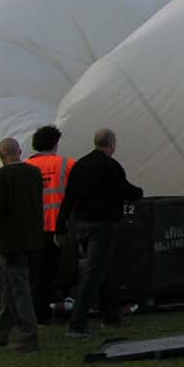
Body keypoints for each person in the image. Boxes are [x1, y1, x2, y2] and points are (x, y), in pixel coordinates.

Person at [59, 128, 143, 338]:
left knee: (101, 270)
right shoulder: (111, 166)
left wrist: (59, 225)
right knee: (94, 273)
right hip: (101, 226)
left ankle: (110, 316)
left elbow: (68, 197)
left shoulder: (80, 165)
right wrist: (139, 193)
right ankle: (77, 323)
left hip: (81, 226)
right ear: (111, 145)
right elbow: (125, 190)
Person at [0, 138, 45, 352]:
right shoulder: (34, 173)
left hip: (11, 241)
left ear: (1, 156)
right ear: (20, 151)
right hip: (33, 239)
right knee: (11, 286)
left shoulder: (1, 177)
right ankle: (1, 330)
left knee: (19, 289)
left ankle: (29, 336)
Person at [27, 125, 76, 324]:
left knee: (35, 273)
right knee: (56, 272)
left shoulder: (25, 166)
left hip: (33, 228)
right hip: (59, 228)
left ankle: (37, 312)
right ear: (55, 143)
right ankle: (52, 310)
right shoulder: (67, 164)